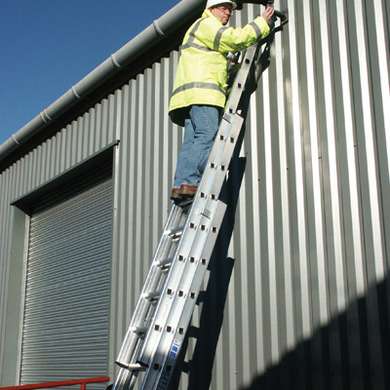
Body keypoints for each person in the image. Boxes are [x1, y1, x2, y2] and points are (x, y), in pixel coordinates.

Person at [169, 0, 274, 201]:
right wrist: (261, 22)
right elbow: (234, 39)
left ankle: (182, 184)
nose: (229, 13)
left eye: (231, 10)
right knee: (207, 135)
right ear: (211, 9)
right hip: (202, 93)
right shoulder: (207, 24)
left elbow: (212, 60)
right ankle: (191, 181)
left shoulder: (202, 30)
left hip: (189, 97)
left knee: (192, 142)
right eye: (224, 8)